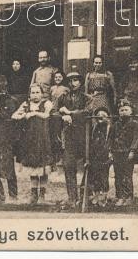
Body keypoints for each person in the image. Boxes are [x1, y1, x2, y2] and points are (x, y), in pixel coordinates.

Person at [12, 84, 54, 204]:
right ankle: (34, 193)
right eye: (33, 93)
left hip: (43, 138)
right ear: (29, 95)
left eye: (37, 92)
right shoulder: (26, 104)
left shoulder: (46, 103)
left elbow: (47, 115)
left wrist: (34, 114)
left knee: (43, 166)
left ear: (42, 94)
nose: (35, 95)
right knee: (33, 166)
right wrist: (24, 115)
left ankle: (42, 194)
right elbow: (14, 116)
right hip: (30, 139)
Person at [53, 71, 88, 208]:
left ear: (80, 82)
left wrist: (70, 113)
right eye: (70, 81)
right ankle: (72, 198)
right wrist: (62, 116)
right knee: (68, 166)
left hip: (84, 136)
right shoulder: (62, 97)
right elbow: (55, 112)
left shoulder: (87, 97)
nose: (73, 83)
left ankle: (86, 196)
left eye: (75, 80)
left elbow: (88, 112)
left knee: (88, 166)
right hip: (68, 136)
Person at [0, 78, 19, 202]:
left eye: (1, 87)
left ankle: (13, 195)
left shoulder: (12, 101)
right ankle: (0, 195)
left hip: (6, 139)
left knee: (8, 168)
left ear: (6, 87)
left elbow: (12, 118)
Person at [111, 100, 138, 206]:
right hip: (117, 152)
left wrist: (132, 151)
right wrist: (111, 151)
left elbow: (136, 138)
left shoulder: (134, 124)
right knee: (118, 175)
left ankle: (128, 196)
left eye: (126, 110)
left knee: (127, 175)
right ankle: (119, 196)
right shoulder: (115, 125)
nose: (124, 112)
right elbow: (111, 138)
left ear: (131, 111)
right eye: (121, 110)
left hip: (127, 153)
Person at [88, 107, 112, 208]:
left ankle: (103, 196)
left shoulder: (109, 128)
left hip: (105, 155)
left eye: (103, 115)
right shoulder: (94, 127)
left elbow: (111, 140)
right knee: (95, 175)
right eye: (98, 115)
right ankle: (96, 195)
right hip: (95, 155)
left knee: (104, 176)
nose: (100, 117)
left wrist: (110, 152)